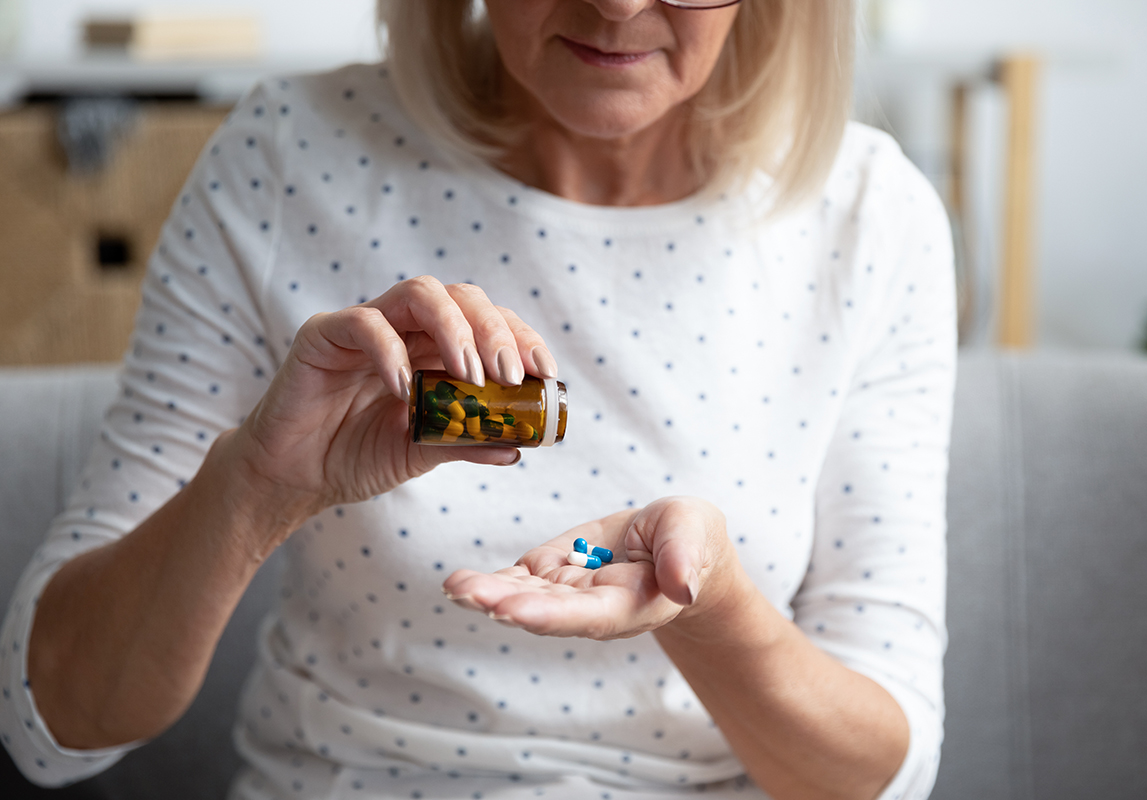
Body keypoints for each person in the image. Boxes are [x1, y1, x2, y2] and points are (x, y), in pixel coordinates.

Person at [0, 1, 956, 798]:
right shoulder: (287, 158)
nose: (619, 5)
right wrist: (259, 485)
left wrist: (708, 604)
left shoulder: (872, 217)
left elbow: (889, 770)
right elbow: (49, 724)